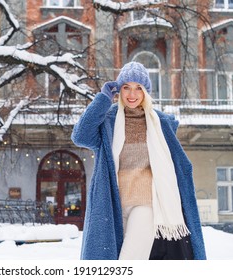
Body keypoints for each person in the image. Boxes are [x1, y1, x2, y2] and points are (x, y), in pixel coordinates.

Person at [71, 61, 206, 260]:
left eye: (138, 88)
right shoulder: (108, 121)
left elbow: (179, 165)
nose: (132, 94)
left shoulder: (161, 124)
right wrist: (103, 99)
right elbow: (80, 136)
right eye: (126, 87)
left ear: (145, 92)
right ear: (119, 90)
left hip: (147, 203)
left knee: (129, 260)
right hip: (113, 203)